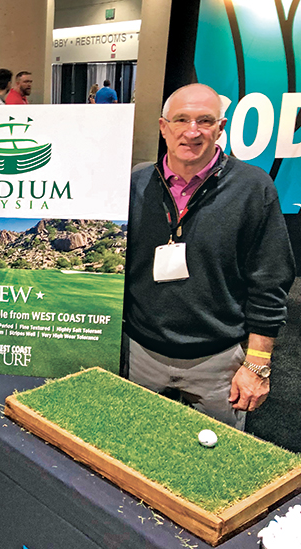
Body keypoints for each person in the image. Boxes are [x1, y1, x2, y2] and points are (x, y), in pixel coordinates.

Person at [124, 83, 294, 430]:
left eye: (205, 120)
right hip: (140, 353)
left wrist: (258, 366)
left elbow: (270, 281)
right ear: (163, 127)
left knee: (219, 466)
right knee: (133, 449)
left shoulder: (253, 188)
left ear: (221, 127)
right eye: (181, 120)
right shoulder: (135, 184)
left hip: (218, 362)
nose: (192, 131)